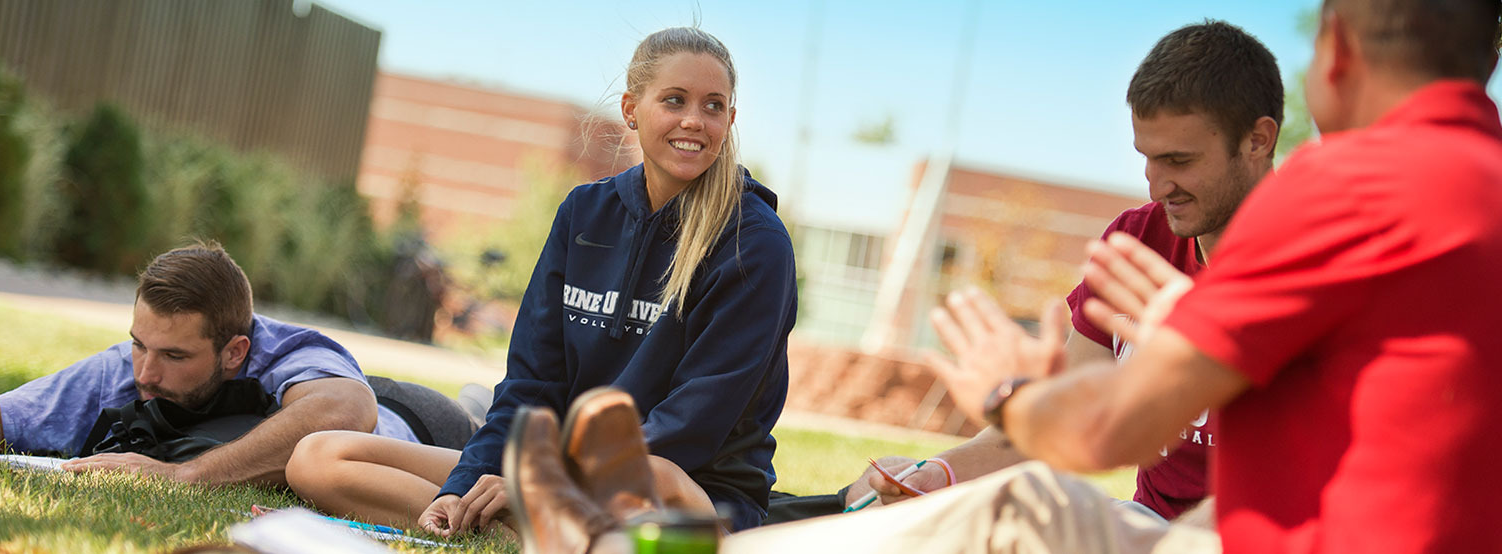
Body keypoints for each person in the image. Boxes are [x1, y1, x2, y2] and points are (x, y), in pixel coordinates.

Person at [505, 0, 1502, 552]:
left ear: (1329, 49)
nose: (1156, 183)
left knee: (1014, 511)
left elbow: (1094, 429)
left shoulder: (1351, 189)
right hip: (1223, 526)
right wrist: (965, 450)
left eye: (1180, 162)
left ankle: (627, 545)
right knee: (990, 494)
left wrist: (1008, 391)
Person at [283, 26, 797, 535]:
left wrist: (545, 481)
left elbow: (690, 427)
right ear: (631, 109)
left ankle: (529, 523)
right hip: (554, 475)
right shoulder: (585, 213)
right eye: (674, 99)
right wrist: (463, 483)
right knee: (320, 456)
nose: (694, 120)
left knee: (655, 477)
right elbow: (531, 380)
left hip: (681, 492)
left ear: (730, 119)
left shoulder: (753, 244)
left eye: (712, 106)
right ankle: (500, 526)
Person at [834, 19, 1281, 523]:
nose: (1157, 187)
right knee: (949, 514)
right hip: (1146, 527)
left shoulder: (1327, 260)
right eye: (1148, 159)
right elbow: (1056, 431)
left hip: (1258, 533)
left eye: (1179, 160)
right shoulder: (1137, 240)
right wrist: (940, 473)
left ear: (1257, 140)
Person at [0, 242, 479, 486]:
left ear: (235, 351)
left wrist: (183, 475)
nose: (145, 372)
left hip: (416, 419)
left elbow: (348, 409)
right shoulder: (132, 365)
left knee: (488, 414)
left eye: (174, 356)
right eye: (140, 344)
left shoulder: (291, 352)